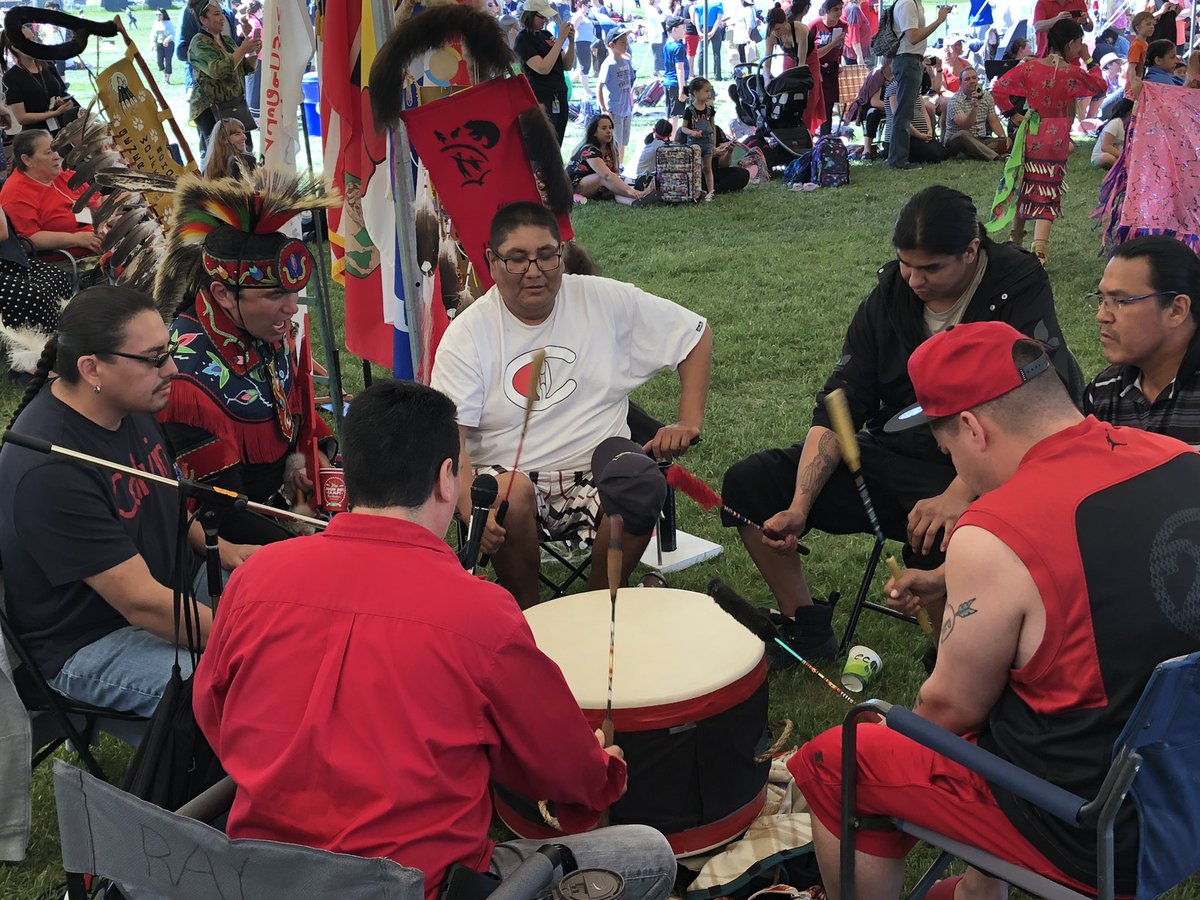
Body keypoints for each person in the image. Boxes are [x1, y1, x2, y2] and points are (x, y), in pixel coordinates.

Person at [192, 379, 677, 900]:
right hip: (413, 889)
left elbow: (212, 712)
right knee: (647, 854)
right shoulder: (481, 613)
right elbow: (563, 772)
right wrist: (603, 769)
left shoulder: (255, 577)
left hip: (259, 880)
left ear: (349, 478)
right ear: (447, 479)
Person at [792, 320, 1200, 900]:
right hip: (1182, 792)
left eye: (950, 453)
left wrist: (891, 728)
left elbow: (948, 711)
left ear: (971, 428)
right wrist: (948, 580)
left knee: (841, 761)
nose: (958, 470)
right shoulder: (1182, 459)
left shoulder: (997, 530)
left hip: (1091, 830)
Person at [720, 186, 1067, 659]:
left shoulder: (1015, 284)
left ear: (971, 250)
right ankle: (806, 626)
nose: (915, 280)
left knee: (952, 532)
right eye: (906, 264)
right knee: (752, 483)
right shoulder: (891, 293)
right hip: (896, 447)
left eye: (931, 268)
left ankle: (959, 656)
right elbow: (842, 400)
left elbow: (1030, 404)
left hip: (984, 461)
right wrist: (800, 504)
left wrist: (957, 494)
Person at [430, 202, 712, 609]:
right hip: (509, 478)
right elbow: (449, 435)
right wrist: (467, 504)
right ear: (491, 261)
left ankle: (597, 607)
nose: (534, 270)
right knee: (510, 493)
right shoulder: (467, 334)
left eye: (546, 255)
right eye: (517, 258)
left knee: (640, 480)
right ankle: (527, 614)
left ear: (561, 254)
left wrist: (688, 421)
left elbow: (695, 335)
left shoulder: (603, 300)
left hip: (597, 470)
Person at [0, 288, 257, 720]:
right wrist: (251, 640)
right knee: (251, 683)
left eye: (168, 351)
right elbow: (141, 603)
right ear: (92, 368)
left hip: (174, 584)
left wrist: (225, 551)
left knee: (296, 603)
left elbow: (167, 492)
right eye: (155, 358)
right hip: (94, 638)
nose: (172, 369)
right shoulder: (48, 471)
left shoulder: (129, 401)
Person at [154, 173, 336, 546]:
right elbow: (223, 512)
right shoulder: (187, 381)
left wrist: (313, 457)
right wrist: (308, 546)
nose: (291, 308)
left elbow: (293, 405)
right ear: (222, 293)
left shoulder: (264, 327)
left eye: (294, 292)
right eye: (274, 295)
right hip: (233, 537)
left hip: (286, 500)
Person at [987, 19, 1107, 265]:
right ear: (1071, 43)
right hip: (1056, 137)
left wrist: (1014, 115)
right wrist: (1089, 59)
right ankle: (1039, 252)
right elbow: (1100, 85)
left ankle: (1015, 241)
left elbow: (998, 88)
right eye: (1079, 44)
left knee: (1026, 182)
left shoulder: (1030, 67)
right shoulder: (1072, 72)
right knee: (1048, 189)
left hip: (1032, 131)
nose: (1080, 48)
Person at [1084, 236, 1200, 444]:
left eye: (1120, 301)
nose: (1101, 316)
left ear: (1176, 310)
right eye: (1102, 299)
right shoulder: (1103, 392)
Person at [0, 197, 74, 374]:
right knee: (29, 295)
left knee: (57, 277)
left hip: (7, 261)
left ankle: (60, 341)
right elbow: (2, 232)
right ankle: (27, 359)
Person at [0, 131, 100, 257]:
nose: (56, 156)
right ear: (27, 160)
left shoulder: (64, 175)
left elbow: (93, 204)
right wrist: (76, 239)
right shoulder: (15, 193)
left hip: (100, 239)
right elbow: (29, 239)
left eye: (56, 150)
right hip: (71, 259)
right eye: (48, 152)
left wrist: (111, 210)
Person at [188, 0, 260, 155]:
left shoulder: (226, 40)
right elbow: (218, 70)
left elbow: (247, 68)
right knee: (220, 155)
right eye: (216, 14)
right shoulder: (198, 44)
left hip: (235, 106)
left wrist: (251, 46)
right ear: (203, 20)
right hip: (211, 109)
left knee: (244, 149)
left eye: (222, 13)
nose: (222, 18)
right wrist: (243, 48)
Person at [888, 0, 951, 168]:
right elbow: (913, 37)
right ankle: (898, 160)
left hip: (912, 60)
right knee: (904, 113)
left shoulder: (914, 3)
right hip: (907, 60)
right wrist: (939, 21)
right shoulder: (907, 4)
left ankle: (898, 158)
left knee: (905, 112)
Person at [516, 0, 576, 144]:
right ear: (530, 15)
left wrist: (571, 42)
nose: (545, 20)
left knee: (558, 141)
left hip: (560, 95)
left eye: (546, 17)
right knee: (545, 144)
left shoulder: (547, 35)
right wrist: (560, 40)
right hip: (541, 97)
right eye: (542, 17)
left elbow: (567, 65)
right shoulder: (523, 39)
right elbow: (543, 68)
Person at [0, 27, 77, 137]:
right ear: (15, 47)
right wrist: (54, 113)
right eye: (27, 40)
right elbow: (22, 118)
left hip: (62, 129)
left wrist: (60, 102)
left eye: (33, 38)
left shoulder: (48, 65)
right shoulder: (11, 77)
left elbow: (62, 93)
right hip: (36, 135)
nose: (33, 43)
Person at [568, 115, 654, 203]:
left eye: (610, 127)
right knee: (603, 177)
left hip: (597, 186)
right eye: (604, 128)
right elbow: (607, 175)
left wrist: (621, 185)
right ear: (594, 132)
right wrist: (629, 190)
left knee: (616, 185)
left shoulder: (611, 149)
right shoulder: (589, 151)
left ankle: (634, 202)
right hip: (573, 187)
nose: (609, 131)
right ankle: (641, 194)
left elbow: (615, 173)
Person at [884, 64, 948, 163]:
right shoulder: (894, 87)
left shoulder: (915, 86)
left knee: (944, 153)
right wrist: (919, 135)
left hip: (920, 136)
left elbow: (923, 110)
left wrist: (929, 130)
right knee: (934, 156)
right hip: (903, 138)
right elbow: (900, 117)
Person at [943, 66, 1009, 160]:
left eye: (974, 78)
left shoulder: (986, 96)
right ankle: (996, 157)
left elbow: (993, 120)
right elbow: (965, 126)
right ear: (960, 83)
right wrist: (975, 107)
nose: (972, 81)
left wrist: (1003, 137)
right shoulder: (955, 101)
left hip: (980, 139)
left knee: (1007, 141)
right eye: (967, 79)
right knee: (963, 134)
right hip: (957, 141)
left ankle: (974, 153)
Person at [597, 29, 636, 168]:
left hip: (626, 109)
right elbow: (599, 86)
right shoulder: (608, 64)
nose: (626, 45)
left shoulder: (626, 62)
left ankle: (620, 166)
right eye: (622, 42)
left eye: (626, 42)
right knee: (614, 142)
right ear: (612, 45)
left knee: (623, 141)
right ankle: (613, 167)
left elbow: (630, 82)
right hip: (614, 109)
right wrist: (604, 109)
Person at [810, 0, 849, 135]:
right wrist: (833, 43)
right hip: (816, 68)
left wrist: (839, 61)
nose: (839, 13)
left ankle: (825, 137)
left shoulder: (843, 25)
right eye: (836, 9)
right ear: (827, 11)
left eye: (841, 9)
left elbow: (840, 48)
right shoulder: (815, 26)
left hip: (832, 69)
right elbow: (813, 54)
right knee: (815, 103)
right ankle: (811, 135)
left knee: (829, 104)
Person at [845, 56, 890, 159]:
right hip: (866, 107)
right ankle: (866, 151)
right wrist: (894, 107)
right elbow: (875, 102)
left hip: (885, 108)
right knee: (873, 113)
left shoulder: (897, 76)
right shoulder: (878, 75)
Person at [679, 76, 717, 200]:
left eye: (709, 91)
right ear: (695, 93)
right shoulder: (689, 110)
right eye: (706, 91)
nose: (709, 94)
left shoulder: (710, 110)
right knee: (695, 168)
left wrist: (714, 144)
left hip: (707, 142)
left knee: (707, 168)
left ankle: (711, 191)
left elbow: (712, 127)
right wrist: (692, 132)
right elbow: (683, 128)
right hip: (694, 144)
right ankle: (696, 191)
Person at [662, 15, 689, 129]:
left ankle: (666, 136)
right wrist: (682, 89)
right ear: (674, 29)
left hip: (667, 82)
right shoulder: (678, 47)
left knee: (669, 113)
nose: (685, 30)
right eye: (683, 28)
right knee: (675, 116)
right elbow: (680, 68)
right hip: (676, 82)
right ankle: (671, 138)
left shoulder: (667, 44)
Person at [1089, 102, 1127, 169]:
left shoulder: (1132, 125)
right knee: (1107, 157)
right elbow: (1105, 147)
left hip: (1118, 157)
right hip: (1101, 158)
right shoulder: (1116, 123)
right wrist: (1124, 156)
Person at [571, 0, 598, 94]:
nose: (590, 8)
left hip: (587, 43)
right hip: (580, 43)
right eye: (588, 6)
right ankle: (587, 91)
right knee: (585, 67)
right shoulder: (578, 16)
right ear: (582, 5)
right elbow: (572, 29)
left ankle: (568, 82)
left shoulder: (585, 16)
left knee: (584, 66)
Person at [151, 9, 177, 84]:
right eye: (156, 15)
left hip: (169, 44)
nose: (158, 16)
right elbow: (153, 34)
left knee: (168, 61)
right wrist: (153, 43)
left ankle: (167, 79)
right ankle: (165, 74)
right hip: (159, 44)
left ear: (163, 15)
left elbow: (173, 34)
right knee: (159, 62)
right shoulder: (156, 23)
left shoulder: (169, 23)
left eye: (159, 14)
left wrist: (167, 39)